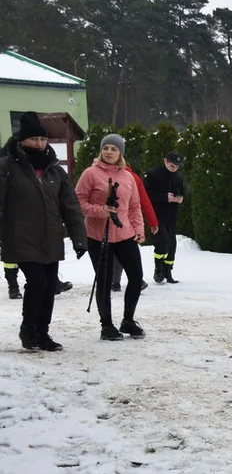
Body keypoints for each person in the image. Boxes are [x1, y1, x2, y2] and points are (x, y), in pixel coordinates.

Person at [0, 111, 88, 350]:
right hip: (21, 236)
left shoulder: (55, 170)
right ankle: (28, 331)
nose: (39, 144)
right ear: (22, 141)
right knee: (37, 282)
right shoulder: (9, 166)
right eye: (33, 140)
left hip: (50, 237)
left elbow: (70, 206)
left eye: (42, 139)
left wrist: (79, 238)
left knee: (49, 287)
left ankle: (43, 333)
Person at [75, 133, 147, 340]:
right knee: (104, 281)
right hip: (99, 236)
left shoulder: (128, 177)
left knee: (136, 277)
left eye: (114, 149)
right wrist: (100, 211)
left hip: (125, 234)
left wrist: (139, 230)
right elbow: (77, 202)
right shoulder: (90, 174)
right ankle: (106, 325)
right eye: (106, 148)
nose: (109, 152)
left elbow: (134, 207)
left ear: (120, 153)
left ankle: (128, 320)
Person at [110, 162, 158, 291]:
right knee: (125, 251)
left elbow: (142, 201)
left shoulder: (131, 177)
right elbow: (144, 202)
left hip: (122, 220)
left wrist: (152, 221)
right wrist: (152, 222)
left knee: (119, 252)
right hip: (125, 220)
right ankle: (125, 280)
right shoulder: (133, 177)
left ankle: (116, 281)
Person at [143, 151, 184, 284]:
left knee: (172, 244)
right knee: (162, 241)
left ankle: (168, 270)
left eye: (177, 167)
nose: (174, 169)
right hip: (157, 214)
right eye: (172, 166)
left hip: (172, 215)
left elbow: (182, 192)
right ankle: (158, 269)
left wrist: (180, 198)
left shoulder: (177, 177)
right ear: (165, 161)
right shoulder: (153, 174)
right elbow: (146, 195)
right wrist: (164, 197)